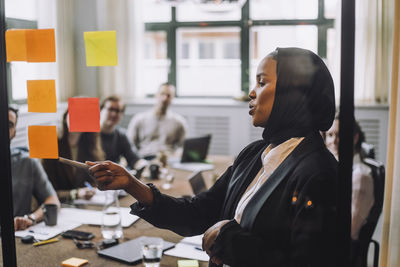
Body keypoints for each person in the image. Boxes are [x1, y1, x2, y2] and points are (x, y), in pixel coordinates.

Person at [88, 47, 338, 267]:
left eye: (262, 83)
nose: (252, 92)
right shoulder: (254, 154)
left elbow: (306, 261)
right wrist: (132, 184)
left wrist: (229, 239)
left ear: (292, 94)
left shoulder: (319, 172)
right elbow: (199, 212)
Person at [8, 107, 60, 231]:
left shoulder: (27, 162)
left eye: (9, 125)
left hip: (17, 237)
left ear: (14, 132)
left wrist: (31, 218)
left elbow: (52, 202)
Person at [324, 115, 374, 241]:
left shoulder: (360, 176)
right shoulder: (332, 169)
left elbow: (349, 228)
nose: (334, 141)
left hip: (340, 250)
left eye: (339, 135)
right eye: (330, 135)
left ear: (355, 138)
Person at [42, 110, 104, 203]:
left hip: (83, 206)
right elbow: (46, 192)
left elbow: (93, 181)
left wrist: (91, 188)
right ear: (65, 117)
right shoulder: (50, 146)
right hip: (59, 206)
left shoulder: (90, 146)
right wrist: (76, 193)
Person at [126, 83, 188, 159]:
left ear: (172, 98)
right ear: (156, 95)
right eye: (162, 94)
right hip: (144, 159)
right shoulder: (139, 119)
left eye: (168, 96)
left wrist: (178, 154)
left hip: (169, 160)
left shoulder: (179, 122)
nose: (165, 98)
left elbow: (184, 146)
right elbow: (129, 145)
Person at [100, 95, 148, 170]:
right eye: (110, 109)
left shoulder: (121, 135)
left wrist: (145, 166)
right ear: (101, 110)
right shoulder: (89, 134)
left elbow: (134, 159)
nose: (114, 114)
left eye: (118, 111)